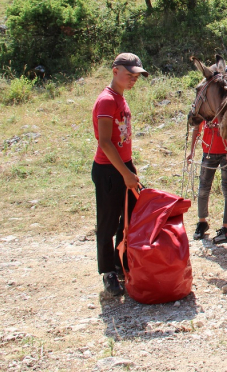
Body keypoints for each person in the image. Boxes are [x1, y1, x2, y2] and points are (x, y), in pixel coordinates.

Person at [91, 53, 147, 297]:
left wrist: (130, 169)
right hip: (108, 170)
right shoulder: (106, 100)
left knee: (129, 219)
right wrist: (124, 173)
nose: (133, 79)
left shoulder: (120, 99)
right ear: (115, 71)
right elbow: (105, 142)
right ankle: (108, 272)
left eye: (136, 76)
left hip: (124, 166)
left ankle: (120, 262)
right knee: (108, 222)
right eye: (129, 74)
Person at [186, 117, 227, 244]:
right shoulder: (206, 109)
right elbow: (197, 128)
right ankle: (202, 222)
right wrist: (191, 151)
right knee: (203, 188)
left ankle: (226, 227)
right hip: (208, 152)